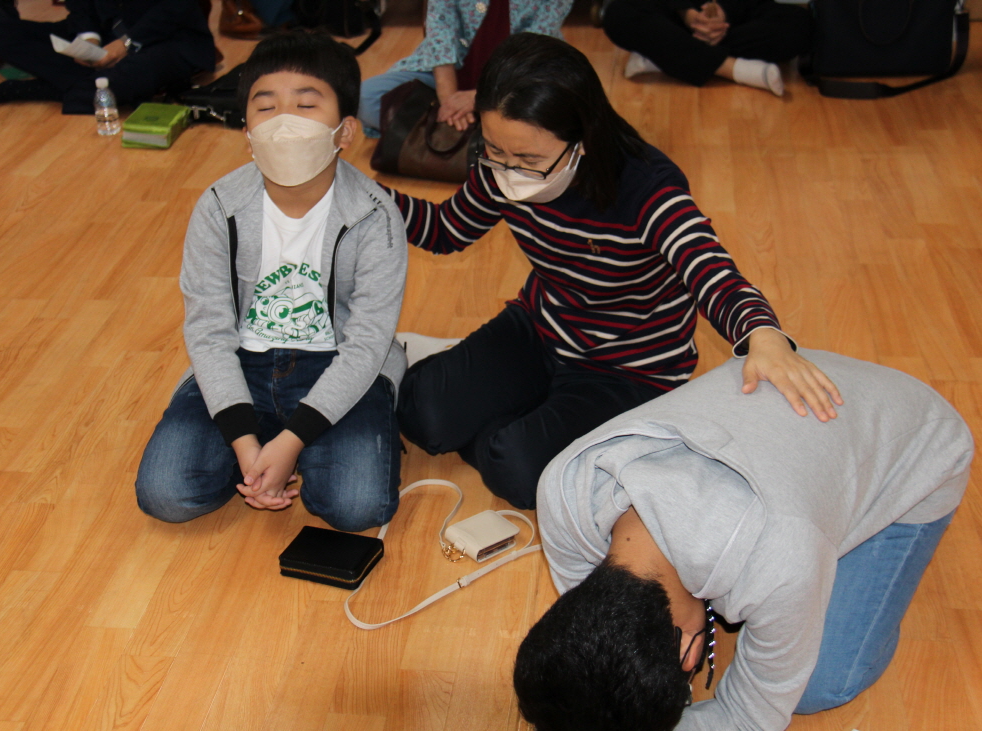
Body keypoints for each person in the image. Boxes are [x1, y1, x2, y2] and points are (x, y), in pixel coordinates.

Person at [385, 33, 840, 510]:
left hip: (628, 368)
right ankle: (526, 418)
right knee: (420, 414)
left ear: (582, 139)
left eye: (529, 161)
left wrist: (763, 335)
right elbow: (446, 230)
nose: (508, 171)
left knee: (517, 473)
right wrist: (362, 195)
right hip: (543, 327)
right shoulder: (498, 163)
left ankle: (529, 424)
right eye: (494, 150)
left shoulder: (646, 188)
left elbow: (710, 270)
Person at [515, 350, 973, 731]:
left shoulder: (779, 556)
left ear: (691, 654)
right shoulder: (563, 486)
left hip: (915, 441)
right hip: (791, 396)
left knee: (820, 684)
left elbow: (748, 722)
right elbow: (589, 661)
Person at [135, 30, 408, 533]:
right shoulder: (219, 206)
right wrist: (244, 442)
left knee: (356, 507)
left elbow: (367, 341)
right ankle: (267, 445)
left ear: (345, 131)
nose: (284, 122)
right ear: (246, 131)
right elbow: (209, 329)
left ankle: (303, 439)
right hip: (244, 363)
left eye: (306, 105)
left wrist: (292, 441)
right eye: (266, 107)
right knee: (166, 493)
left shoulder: (375, 215)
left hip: (337, 363)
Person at [357, 0, 573, 136]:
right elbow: (440, 32)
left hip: (518, 78)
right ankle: (473, 130)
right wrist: (449, 101)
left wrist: (479, 98)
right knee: (364, 97)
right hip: (444, 73)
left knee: (558, 110)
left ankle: (454, 132)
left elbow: (534, 48)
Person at [0, 0, 215, 114]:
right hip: (105, 31)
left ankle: (49, 89)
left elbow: (178, 7)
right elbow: (80, 5)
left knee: (133, 75)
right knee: (3, 32)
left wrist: (126, 43)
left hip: (164, 37)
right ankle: (94, 84)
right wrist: (89, 40)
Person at [602, 0, 813, 96]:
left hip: (732, 19)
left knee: (799, 24)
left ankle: (663, 56)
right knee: (618, 13)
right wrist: (686, 12)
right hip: (673, 12)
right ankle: (733, 68)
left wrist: (724, 11)